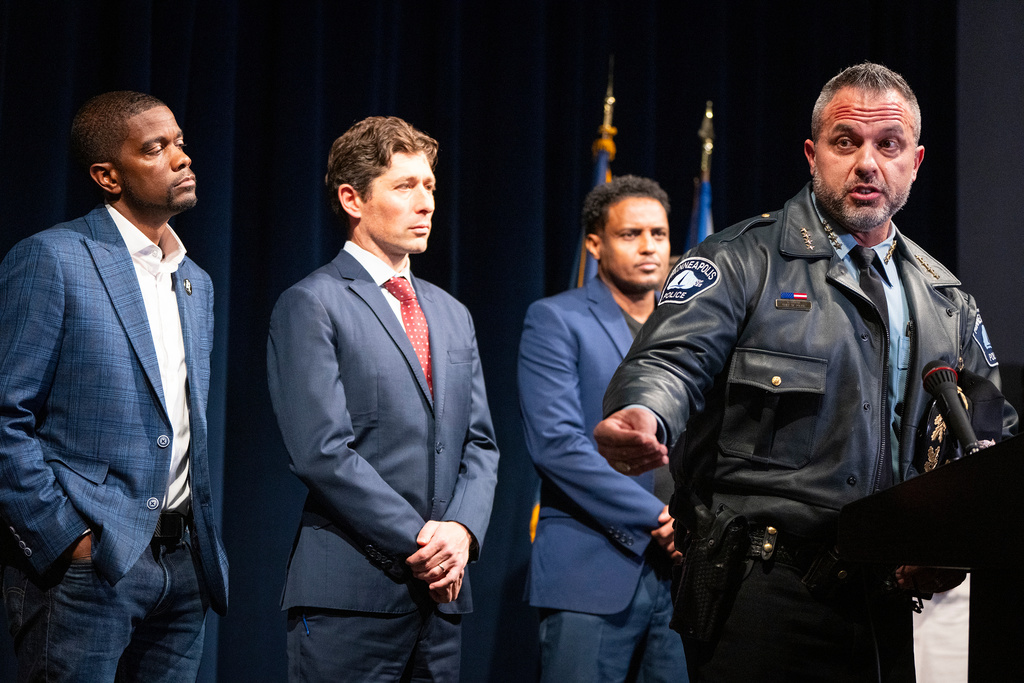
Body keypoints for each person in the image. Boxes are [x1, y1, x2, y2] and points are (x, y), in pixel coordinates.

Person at [594, 62, 1018, 681]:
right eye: (846, 142)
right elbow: (671, 359)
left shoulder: (945, 298)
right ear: (812, 154)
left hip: (884, 604)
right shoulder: (741, 259)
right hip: (760, 595)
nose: (868, 163)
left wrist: (948, 543)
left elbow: (986, 434)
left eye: (889, 145)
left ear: (916, 161)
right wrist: (643, 410)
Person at [0, 91, 229, 681]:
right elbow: (6, 414)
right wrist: (63, 537)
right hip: (88, 567)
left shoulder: (195, 281)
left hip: (182, 565)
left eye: (179, 142)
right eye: (155, 148)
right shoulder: (53, 259)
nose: (180, 158)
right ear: (108, 175)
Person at [267, 116, 500, 682]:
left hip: (442, 602)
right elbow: (321, 451)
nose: (426, 204)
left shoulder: (451, 312)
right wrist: (425, 541)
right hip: (350, 595)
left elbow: (481, 444)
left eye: (430, 188)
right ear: (352, 198)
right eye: (405, 187)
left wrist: (463, 533)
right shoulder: (312, 304)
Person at [518, 175, 687, 682]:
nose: (648, 247)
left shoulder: (691, 327)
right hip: (591, 567)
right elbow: (557, 444)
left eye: (658, 234)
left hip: (684, 572)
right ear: (595, 244)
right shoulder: (555, 319)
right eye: (630, 234)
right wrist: (658, 516)